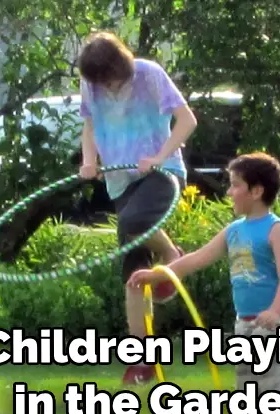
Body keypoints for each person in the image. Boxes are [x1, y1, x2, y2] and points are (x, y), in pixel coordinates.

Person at [128, 152, 280, 414]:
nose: (229, 192)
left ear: (257, 191)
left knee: (277, 394)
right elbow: (195, 260)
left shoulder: (276, 230)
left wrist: (275, 311)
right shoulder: (234, 231)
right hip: (245, 325)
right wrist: (157, 276)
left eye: (235, 185)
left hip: (277, 324)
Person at [76, 31, 197, 385]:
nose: (108, 88)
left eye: (112, 80)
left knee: (134, 220)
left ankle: (173, 254)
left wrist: (159, 156)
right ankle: (141, 360)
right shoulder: (91, 85)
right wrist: (88, 161)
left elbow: (187, 120)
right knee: (133, 273)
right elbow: (89, 125)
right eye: (101, 83)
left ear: (122, 65)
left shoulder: (149, 74)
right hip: (119, 179)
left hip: (162, 173)